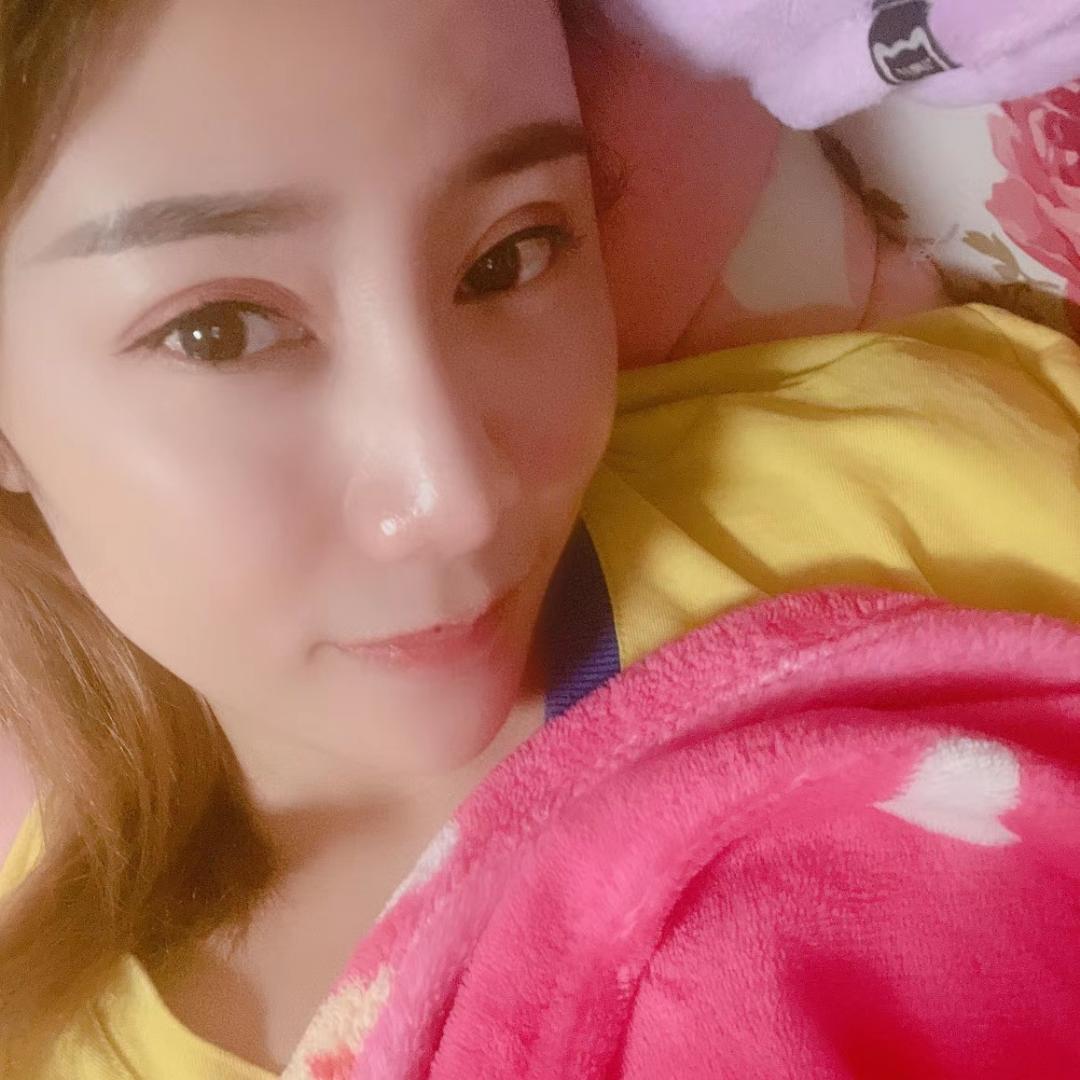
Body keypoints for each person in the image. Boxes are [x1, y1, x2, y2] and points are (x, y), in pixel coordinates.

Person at [0, 0, 1076, 1076]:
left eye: (512, 255)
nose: (459, 497)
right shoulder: (48, 1026)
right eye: (220, 332)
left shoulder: (906, 496)